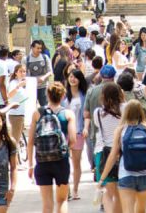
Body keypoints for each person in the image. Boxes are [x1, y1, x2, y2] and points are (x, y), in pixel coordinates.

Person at [98, 99, 146, 213]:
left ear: (126, 112)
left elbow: (113, 155)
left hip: (126, 175)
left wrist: (102, 178)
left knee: (128, 210)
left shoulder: (121, 130)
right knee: (141, 210)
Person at [27, 82, 76, 213]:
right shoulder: (68, 114)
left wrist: (31, 164)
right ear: (63, 95)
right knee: (62, 200)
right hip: (61, 161)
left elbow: (30, 141)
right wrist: (66, 150)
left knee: (47, 204)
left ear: (47, 95)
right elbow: (73, 139)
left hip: (42, 162)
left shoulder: (37, 113)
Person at [93, 83, 124, 213]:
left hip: (104, 152)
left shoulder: (98, 113)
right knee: (119, 194)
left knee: (107, 191)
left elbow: (97, 126)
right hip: (122, 153)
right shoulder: (125, 109)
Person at [83, 65, 117, 170]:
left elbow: (86, 114)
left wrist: (86, 127)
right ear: (114, 76)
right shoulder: (118, 90)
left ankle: (98, 171)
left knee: (99, 161)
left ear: (101, 76)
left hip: (97, 132)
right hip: (114, 132)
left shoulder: (91, 91)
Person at [63, 70, 87, 200]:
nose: (72, 79)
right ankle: (66, 190)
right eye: (71, 77)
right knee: (64, 162)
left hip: (78, 132)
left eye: (75, 77)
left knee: (76, 162)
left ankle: (76, 189)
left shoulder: (84, 95)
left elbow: (86, 114)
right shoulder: (64, 96)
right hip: (64, 133)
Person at [25, 40, 53, 106]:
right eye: (37, 48)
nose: (39, 50)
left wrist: (43, 77)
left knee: (45, 107)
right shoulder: (26, 59)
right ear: (32, 47)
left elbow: (50, 72)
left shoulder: (45, 57)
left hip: (43, 87)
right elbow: (23, 73)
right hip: (31, 88)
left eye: (41, 48)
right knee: (31, 108)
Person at [7, 64, 27, 150]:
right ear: (16, 73)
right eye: (20, 71)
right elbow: (10, 94)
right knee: (14, 140)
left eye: (24, 71)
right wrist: (18, 86)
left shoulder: (24, 83)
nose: (23, 73)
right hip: (15, 114)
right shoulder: (14, 83)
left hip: (22, 114)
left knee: (17, 138)